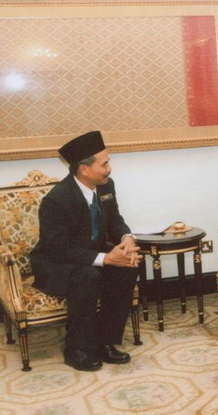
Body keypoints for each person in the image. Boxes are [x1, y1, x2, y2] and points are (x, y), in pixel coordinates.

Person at [30, 131, 142, 372]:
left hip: (90, 256)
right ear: (84, 169)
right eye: (104, 164)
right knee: (87, 275)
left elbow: (114, 220)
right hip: (56, 264)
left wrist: (127, 239)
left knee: (128, 266)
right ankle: (76, 349)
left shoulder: (106, 185)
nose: (109, 169)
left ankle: (105, 341)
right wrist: (106, 258)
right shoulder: (57, 199)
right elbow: (58, 249)